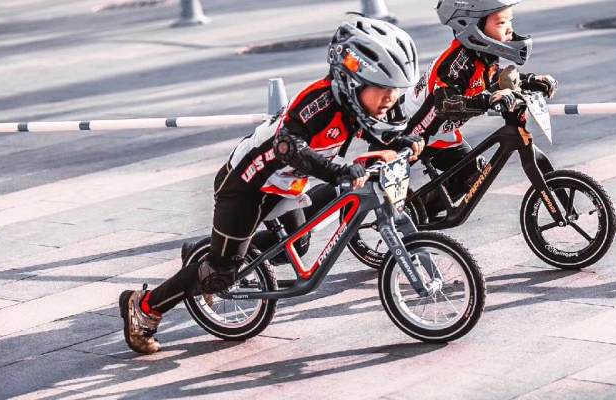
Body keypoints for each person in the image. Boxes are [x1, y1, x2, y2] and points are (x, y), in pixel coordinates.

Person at [119, 15, 425, 354]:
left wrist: (404, 141)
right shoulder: (319, 103)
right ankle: (145, 305)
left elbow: (375, 131)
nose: (389, 99)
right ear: (351, 80)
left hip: (284, 185)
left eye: (395, 91)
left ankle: (210, 252)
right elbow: (287, 147)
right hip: (246, 186)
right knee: (220, 275)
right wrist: (338, 171)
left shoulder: (353, 105)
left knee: (299, 243)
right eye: (382, 89)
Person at [402, 0, 558, 215]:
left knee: (474, 174)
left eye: (509, 21)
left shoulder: (482, 55)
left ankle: (418, 216)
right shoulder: (457, 62)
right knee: (385, 185)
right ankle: (402, 216)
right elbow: (445, 104)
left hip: (440, 133)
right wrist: (487, 100)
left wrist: (530, 80)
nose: (509, 29)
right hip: (408, 130)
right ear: (473, 27)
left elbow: (494, 80)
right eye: (501, 22)